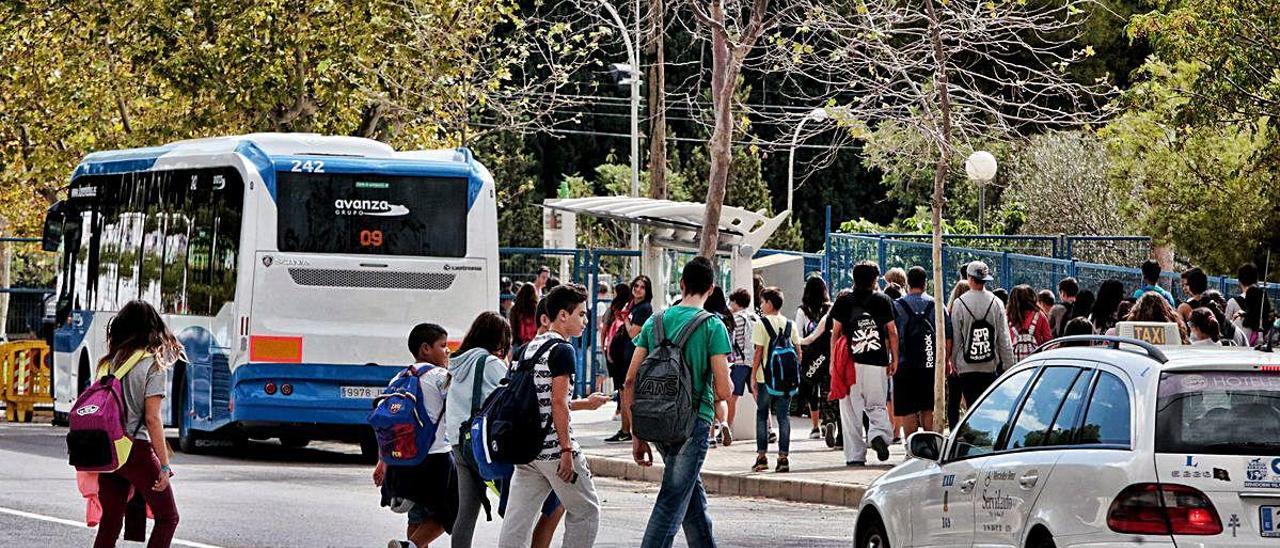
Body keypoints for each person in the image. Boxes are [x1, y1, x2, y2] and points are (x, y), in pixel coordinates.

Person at [626, 256, 733, 548]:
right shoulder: (713, 326)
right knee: (671, 502)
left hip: (658, 421)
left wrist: (636, 433)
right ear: (711, 289)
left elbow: (630, 381)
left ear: (682, 284)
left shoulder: (655, 321)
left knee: (692, 503)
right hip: (693, 423)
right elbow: (724, 391)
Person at [498, 285, 610, 548]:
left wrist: (585, 404)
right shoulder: (562, 350)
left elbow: (542, 398)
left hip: (526, 451)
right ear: (563, 315)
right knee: (586, 512)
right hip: (553, 452)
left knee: (517, 524)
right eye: (581, 314)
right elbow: (558, 402)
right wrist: (567, 450)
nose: (585, 321)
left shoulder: (528, 348)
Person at [91, 300, 182, 548]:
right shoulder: (152, 363)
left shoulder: (108, 363)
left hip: (107, 452)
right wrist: (164, 466)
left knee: (110, 521)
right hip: (136, 451)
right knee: (168, 517)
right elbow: (152, 419)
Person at [375, 323, 456, 548]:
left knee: (417, 515)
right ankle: (407, 547)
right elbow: (458, 406)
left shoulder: (398, 378)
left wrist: (383, 460)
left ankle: (409, 544)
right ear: (425, 349)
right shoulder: (441, 376)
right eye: (442, 345)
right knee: (446, 514)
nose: (447, 350)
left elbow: (387, 424)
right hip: (435, 457)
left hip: (403, 459)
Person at [446, 313, 512, 548]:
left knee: (466, 512)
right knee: (515, 505)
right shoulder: (490, 363)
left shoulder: (456, 363)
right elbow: (512, 395)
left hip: (458, 443)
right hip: (483, 444)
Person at [831, 262, 898, 465]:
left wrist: (834, 363)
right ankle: (878, 435)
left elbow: (835, 333)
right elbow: (892, 332)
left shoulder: (844, 301)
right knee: (877, 405)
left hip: (849, 363)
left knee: (850, 409)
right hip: (877, 362)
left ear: (853, 278)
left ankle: (854, 456)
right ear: (874, 280)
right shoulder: (883, 300)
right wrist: (894, 358)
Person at [893, 266, 951, 434]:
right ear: (925, 283)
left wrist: (893, 360)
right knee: (928, 407)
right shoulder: (937, 305)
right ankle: (931, 445)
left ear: (908, 283)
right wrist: (945, 360)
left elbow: (892, 335)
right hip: (931, 364)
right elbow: (947, 335)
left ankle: (912, 449)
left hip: (904, 365)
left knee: (908, 409)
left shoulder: (898, 306)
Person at [950, 261, 1015, 412]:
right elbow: (1004, 339)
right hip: (989, 365)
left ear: (969, 278)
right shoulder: (996, 302)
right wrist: (1008, 366)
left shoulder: (959, 303)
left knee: (971, 409)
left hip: (966, 367)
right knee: (988, 410)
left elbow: (957, 338)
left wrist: (954, 362)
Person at [751, 286, 802, 472]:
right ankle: (783, 458)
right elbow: (798, 352)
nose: (761, 305)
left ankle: (762, 457)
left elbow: (758, 353)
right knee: (783, 417)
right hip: (786, 380)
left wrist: (753, 376)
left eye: (763, 302)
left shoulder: (761, 324)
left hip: (766, 378)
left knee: (762, 414)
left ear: (770, 304)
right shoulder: (790, 324)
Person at [604, 275, 654, 443]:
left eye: (642, 287)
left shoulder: (644, 308)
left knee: (629, 393)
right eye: (636, 286)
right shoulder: (633, 306)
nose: (637, 289)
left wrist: (625, 318)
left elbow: (634, 332)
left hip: (634, 354)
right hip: (624, 353)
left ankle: (635, 432)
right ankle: (625, 430)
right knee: (624, 393)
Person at [795, 276, 832, 441]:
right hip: (828, 354)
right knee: (826, 388)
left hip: (810, 356)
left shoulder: (803, 310)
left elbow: (798, 333)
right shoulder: (830, 309)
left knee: (811, 390)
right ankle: (828, 420)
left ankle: (815, 426)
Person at [703, 286, 736, 448]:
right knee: (721, 397)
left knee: (709, 397)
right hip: (727, 360)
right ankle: (723, 423)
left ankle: (710, 436)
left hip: (710, 360)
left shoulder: (708, 316)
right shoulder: (728, 316)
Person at [726, 288, 757, 441]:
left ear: (736, 302)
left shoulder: (734, 318)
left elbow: (730, 341)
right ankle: (769, 428)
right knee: (758, 395)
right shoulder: (755, 318)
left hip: (738, 363)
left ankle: (728, 428)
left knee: (732, 397)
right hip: (753, 362)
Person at [603, 282, 633, 422]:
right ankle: (624, 412)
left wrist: (605, 344)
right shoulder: (631, 308)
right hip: (627, 347)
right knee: (625, 381)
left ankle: (620, 409)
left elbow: (605, 328)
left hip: (614, 346)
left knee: (619, 381)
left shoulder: (613, 309)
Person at [1225, 262, 1276, 346]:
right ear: (1256, 279)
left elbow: (1227, 333)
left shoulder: (1232, 303)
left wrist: (1232, 322)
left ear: (1239, 281)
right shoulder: (1270, 318)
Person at [944, 280, 970, 429]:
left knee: (954, 398)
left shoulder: (949, 312)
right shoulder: (970, 311)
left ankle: (953, 428)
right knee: (969, 396)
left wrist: (949, 359)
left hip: (954, 360)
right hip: (969, 360)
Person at [1006, 285, 1052, 362]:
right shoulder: (1040, 315)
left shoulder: (1007, 317)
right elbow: (1048, 341)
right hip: (1034, 361)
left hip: (1013, 363)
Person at [510, 284, 540, 350]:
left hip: (518, 343)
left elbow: (513, 328)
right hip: (535, 343)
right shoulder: (537, 309)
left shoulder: (515, 310)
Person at [593, 283, 611, 392]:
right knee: (606, 370)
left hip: (597, 342)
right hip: (601, 342)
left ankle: (596, 390)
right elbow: (599, 324)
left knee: (598, 370)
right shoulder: (601, 305)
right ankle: (594, 387)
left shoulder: (594, 303)